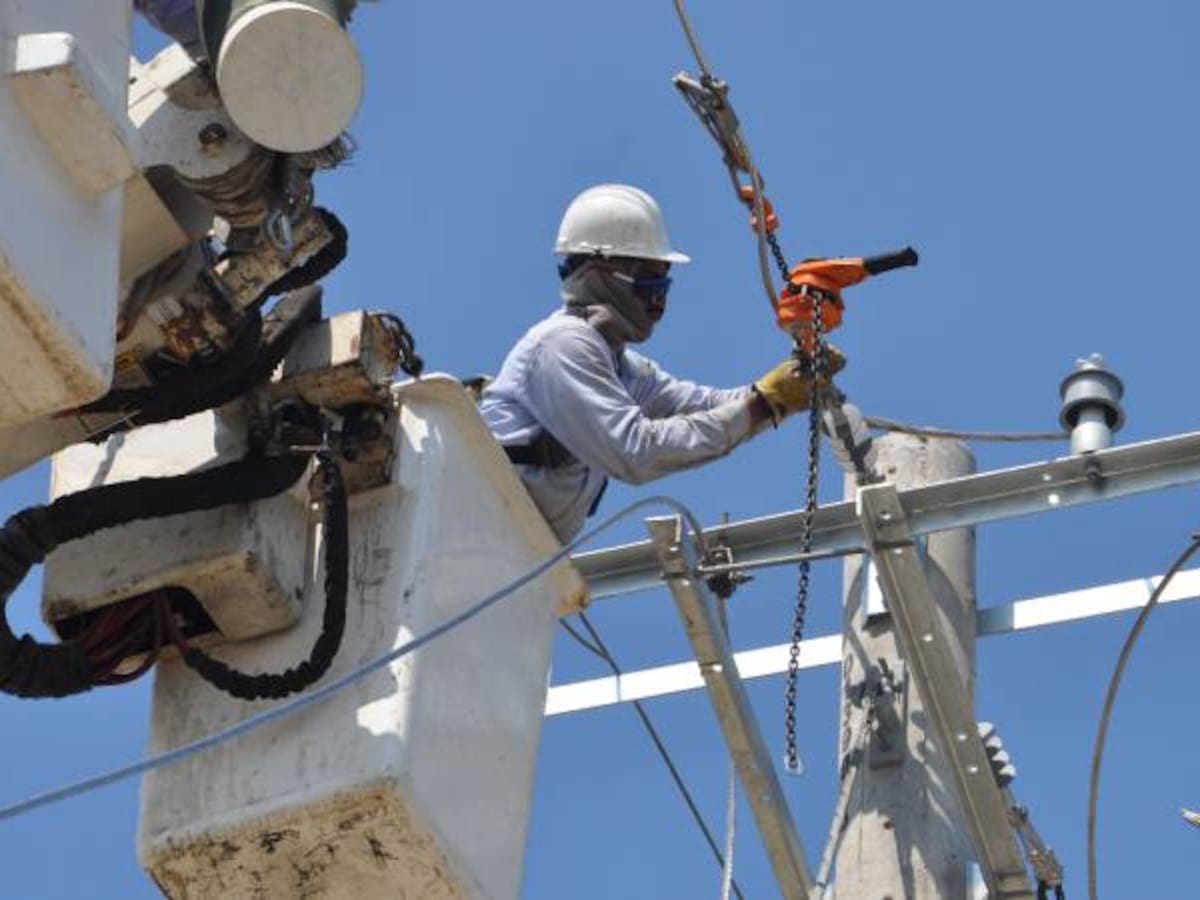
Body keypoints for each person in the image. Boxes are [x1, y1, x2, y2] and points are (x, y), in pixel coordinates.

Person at [480, 184, 841, 543]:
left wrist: (786, 387)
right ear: (598, 274)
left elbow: (706, 405)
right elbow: (635, 450)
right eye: (648, 283)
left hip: (521, 553)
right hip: (483, 532)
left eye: (663, 285)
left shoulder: (622, 367)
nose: (658, 302)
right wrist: (763, 404)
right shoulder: (563, 344)